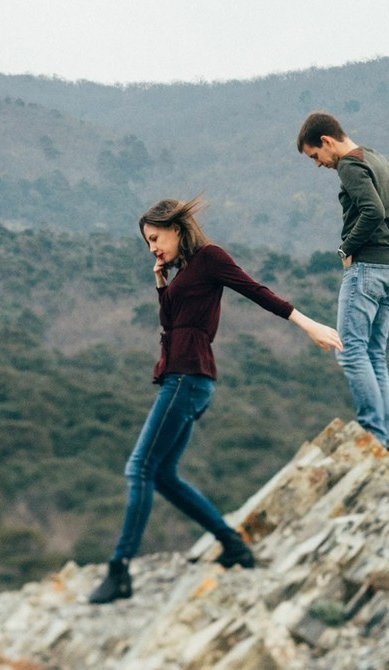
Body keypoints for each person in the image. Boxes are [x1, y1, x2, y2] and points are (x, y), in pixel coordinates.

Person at [89, 196, 342, 605]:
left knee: (139, 468)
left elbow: (255, 290)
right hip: (186, 377)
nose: (152, 247)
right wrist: (160, 281)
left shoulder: (209, 258)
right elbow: (171, 322)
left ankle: (119, 571)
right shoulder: (186, 270)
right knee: (164, 475)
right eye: (147, 243)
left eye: (155, 238)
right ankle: (235, 546)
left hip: (187, 378)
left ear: (175, 227)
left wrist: (306, 323)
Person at [296, 112, 389, 447]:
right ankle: (382, 438)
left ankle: (373, 435)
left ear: (327, 142)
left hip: (366, 269)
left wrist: (346, 249)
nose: (318, 164)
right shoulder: (379, 160)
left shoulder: (350, 165)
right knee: (374, 354)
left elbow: (372, 211)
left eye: (315, 156)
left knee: (349, 351)